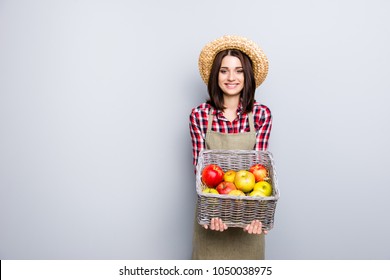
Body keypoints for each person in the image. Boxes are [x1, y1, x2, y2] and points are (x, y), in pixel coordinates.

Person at [189, 35, 272, 260]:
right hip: (212, 216)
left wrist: (259, 215)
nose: (231, 77)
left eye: (239, 71)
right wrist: (213, 211)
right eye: (224, 70)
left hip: (249, 219)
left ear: (248, 76)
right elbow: (199, 174)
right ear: (215, 75)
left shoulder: (261, 115)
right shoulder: (199, 115)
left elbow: (261, 172)